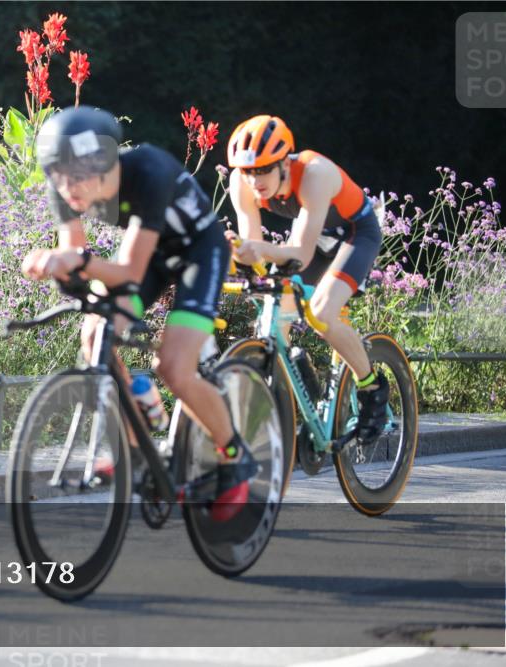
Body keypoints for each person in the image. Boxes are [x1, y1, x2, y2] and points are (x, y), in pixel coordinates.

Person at [21, 106, 257, 521]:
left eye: (74, 176)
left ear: (104, 164)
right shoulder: (66, 186)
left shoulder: (148, 171)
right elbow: (80, 255)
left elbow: (122, 269)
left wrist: (70, 261)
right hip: (151, 258)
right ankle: (135, 433)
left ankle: (235, 455)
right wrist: (62, 269)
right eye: (56, 176)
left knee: (175, 367)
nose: (65, 188)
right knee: (95, 334)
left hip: (198, 252)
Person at [225, 114, 389, 441]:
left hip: (354, 235)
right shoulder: (240, 184)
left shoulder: (315, 174)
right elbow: (254, 251)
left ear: (284, 163)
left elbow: (300, 254)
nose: (255, 180)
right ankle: (293, 398)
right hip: (311, 239)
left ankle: (372, 389)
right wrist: (239, 256)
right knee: (271, 315)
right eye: (247, 172)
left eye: (263, 170)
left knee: (322, 312)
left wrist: (255, 249)